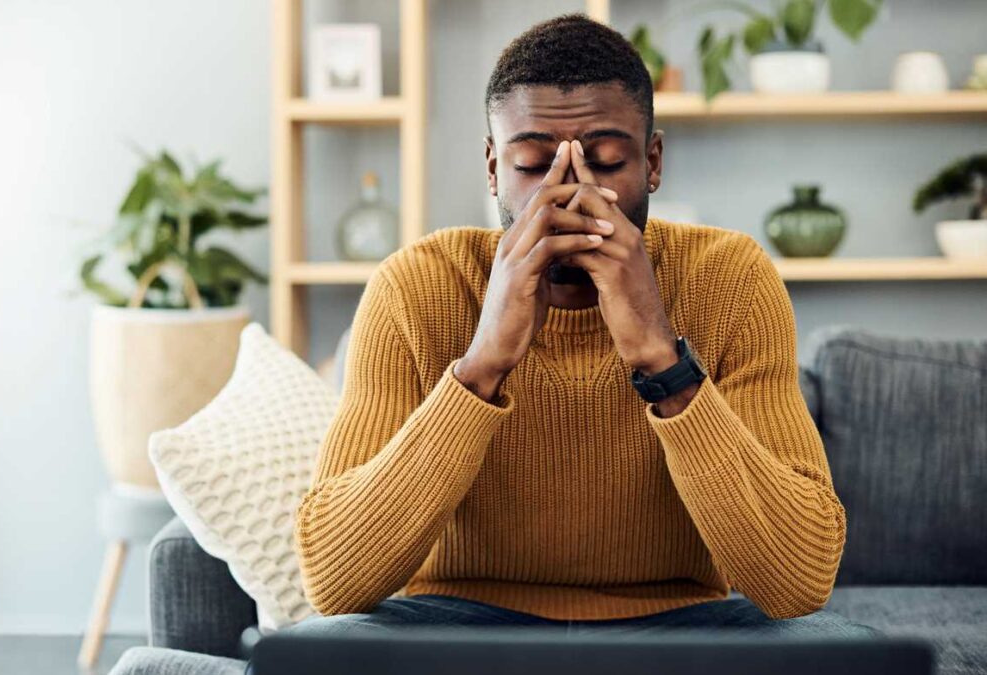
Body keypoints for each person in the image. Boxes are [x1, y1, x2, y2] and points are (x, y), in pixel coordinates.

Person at [284, 13, 879, 641]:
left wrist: (661, 358)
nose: (568, 196)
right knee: (312, 650)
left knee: (842, 650)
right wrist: (482, 364)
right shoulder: (415, 285)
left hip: (681, 622)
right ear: (492, 169)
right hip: (455, 624)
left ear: (652, 162)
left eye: (608, 161)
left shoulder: (729, 278)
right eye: (534, 164)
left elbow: (800, 582)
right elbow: (335, 580)